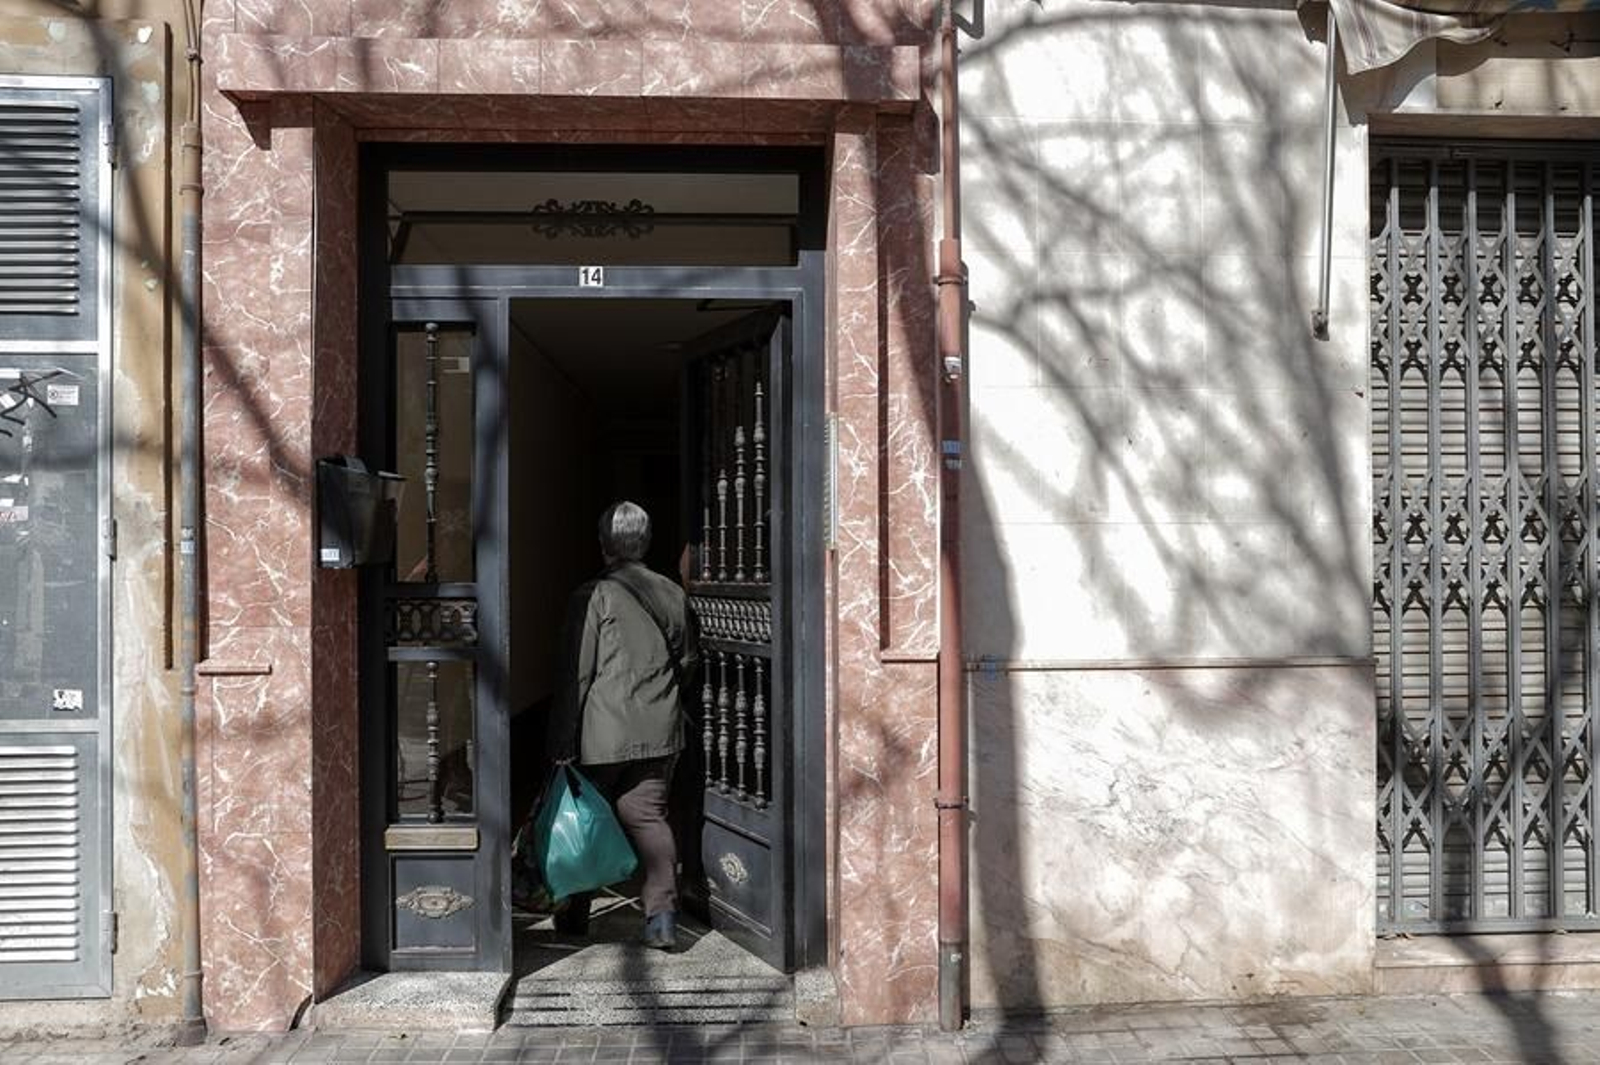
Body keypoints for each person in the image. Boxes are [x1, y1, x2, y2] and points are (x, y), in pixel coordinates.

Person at [548, 500, 698, 950]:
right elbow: (688, 661)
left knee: (587, 819)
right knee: (647, 817)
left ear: (604, 544)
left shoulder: (592, 596)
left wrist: (561, 738)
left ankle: (574, 913)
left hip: (602, 733)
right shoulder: (673, 593)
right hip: (660, 728)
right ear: (646, 542)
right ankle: (662, 921)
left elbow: (576, 672)